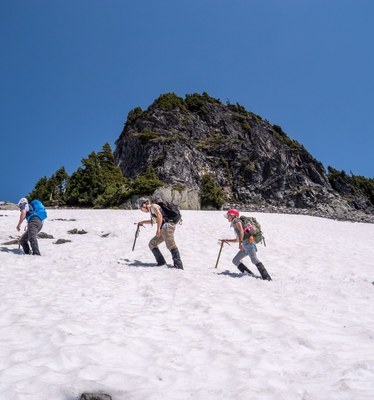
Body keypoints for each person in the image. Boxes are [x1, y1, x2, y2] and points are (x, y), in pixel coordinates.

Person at [219, 208, 272, 280]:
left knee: (254, 260)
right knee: (235, 260)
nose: (227, 217)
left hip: (248, 243)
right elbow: (238, 239)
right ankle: (249, 274)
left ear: (232, 215)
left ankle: (267, 278)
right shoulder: (235, 222)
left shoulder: (236, 220)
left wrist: (240, 244)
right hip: (245, 245)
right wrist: (225, 240)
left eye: (228, 215)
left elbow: (241, 231)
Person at [137, 198, 183, 269]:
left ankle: (178, 266)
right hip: (163, 228)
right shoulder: (152, 210)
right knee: (152, 244)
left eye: (140, 208)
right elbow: (155, 221)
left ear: (144, 205)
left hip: (167, 226)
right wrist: (142, 222)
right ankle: (161, 263)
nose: (141, 210)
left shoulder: (153, 206)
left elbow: (160, 216)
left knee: (171, 245)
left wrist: (158, 229)